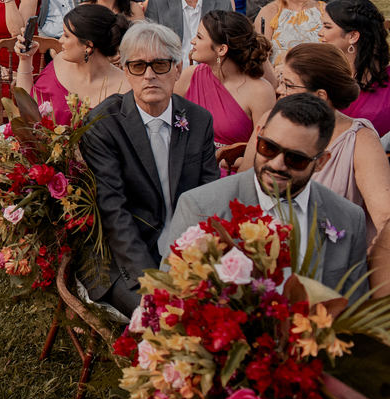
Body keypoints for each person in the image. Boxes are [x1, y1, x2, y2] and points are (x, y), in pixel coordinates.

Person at [162, 93, 369, 297]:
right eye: (268, 147)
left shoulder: (348, 218)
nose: (277, 164)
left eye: (295, 159)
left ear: (321, 162)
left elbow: (354, 314)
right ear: (258, 134)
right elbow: (169, 300)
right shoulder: (201, 208)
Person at [81, 21, 219, 314]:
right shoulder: (103, 125)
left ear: (178, 69)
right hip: (127, 257)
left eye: (160, 65)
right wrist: (152, 282)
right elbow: (113, 210)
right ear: (125, 70)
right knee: (166, 318)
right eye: (137, 66)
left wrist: (198, 262)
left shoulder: (199, 120)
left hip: (187, 248)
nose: (149, 76)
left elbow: (208, 197)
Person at [256, 45, 390, 281]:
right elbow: (245, 186)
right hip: (263, 261)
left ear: (320, 96)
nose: (278, 90)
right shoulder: (272, 120)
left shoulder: (360, 140)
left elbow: (385, 219)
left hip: (328, 271)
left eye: (288, 84)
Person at [15, 3, 129, 124]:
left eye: (66, 35)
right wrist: (25, 59)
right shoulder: (59, 63)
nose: (60, 40)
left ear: (88, 46)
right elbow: (26, 105)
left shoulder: (125, 89)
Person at [176, 10, 275, 149]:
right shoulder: (189, 76)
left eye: (199, 37)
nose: (192, 41)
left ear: (221, 49)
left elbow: (264, 150)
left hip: (233, 168)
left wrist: (228, 160)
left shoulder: (260, 91)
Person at [321, 0, 390, 136]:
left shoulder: (386, 85)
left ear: (353, 36)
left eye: (327, 27)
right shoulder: (320, 73)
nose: (320, 32)